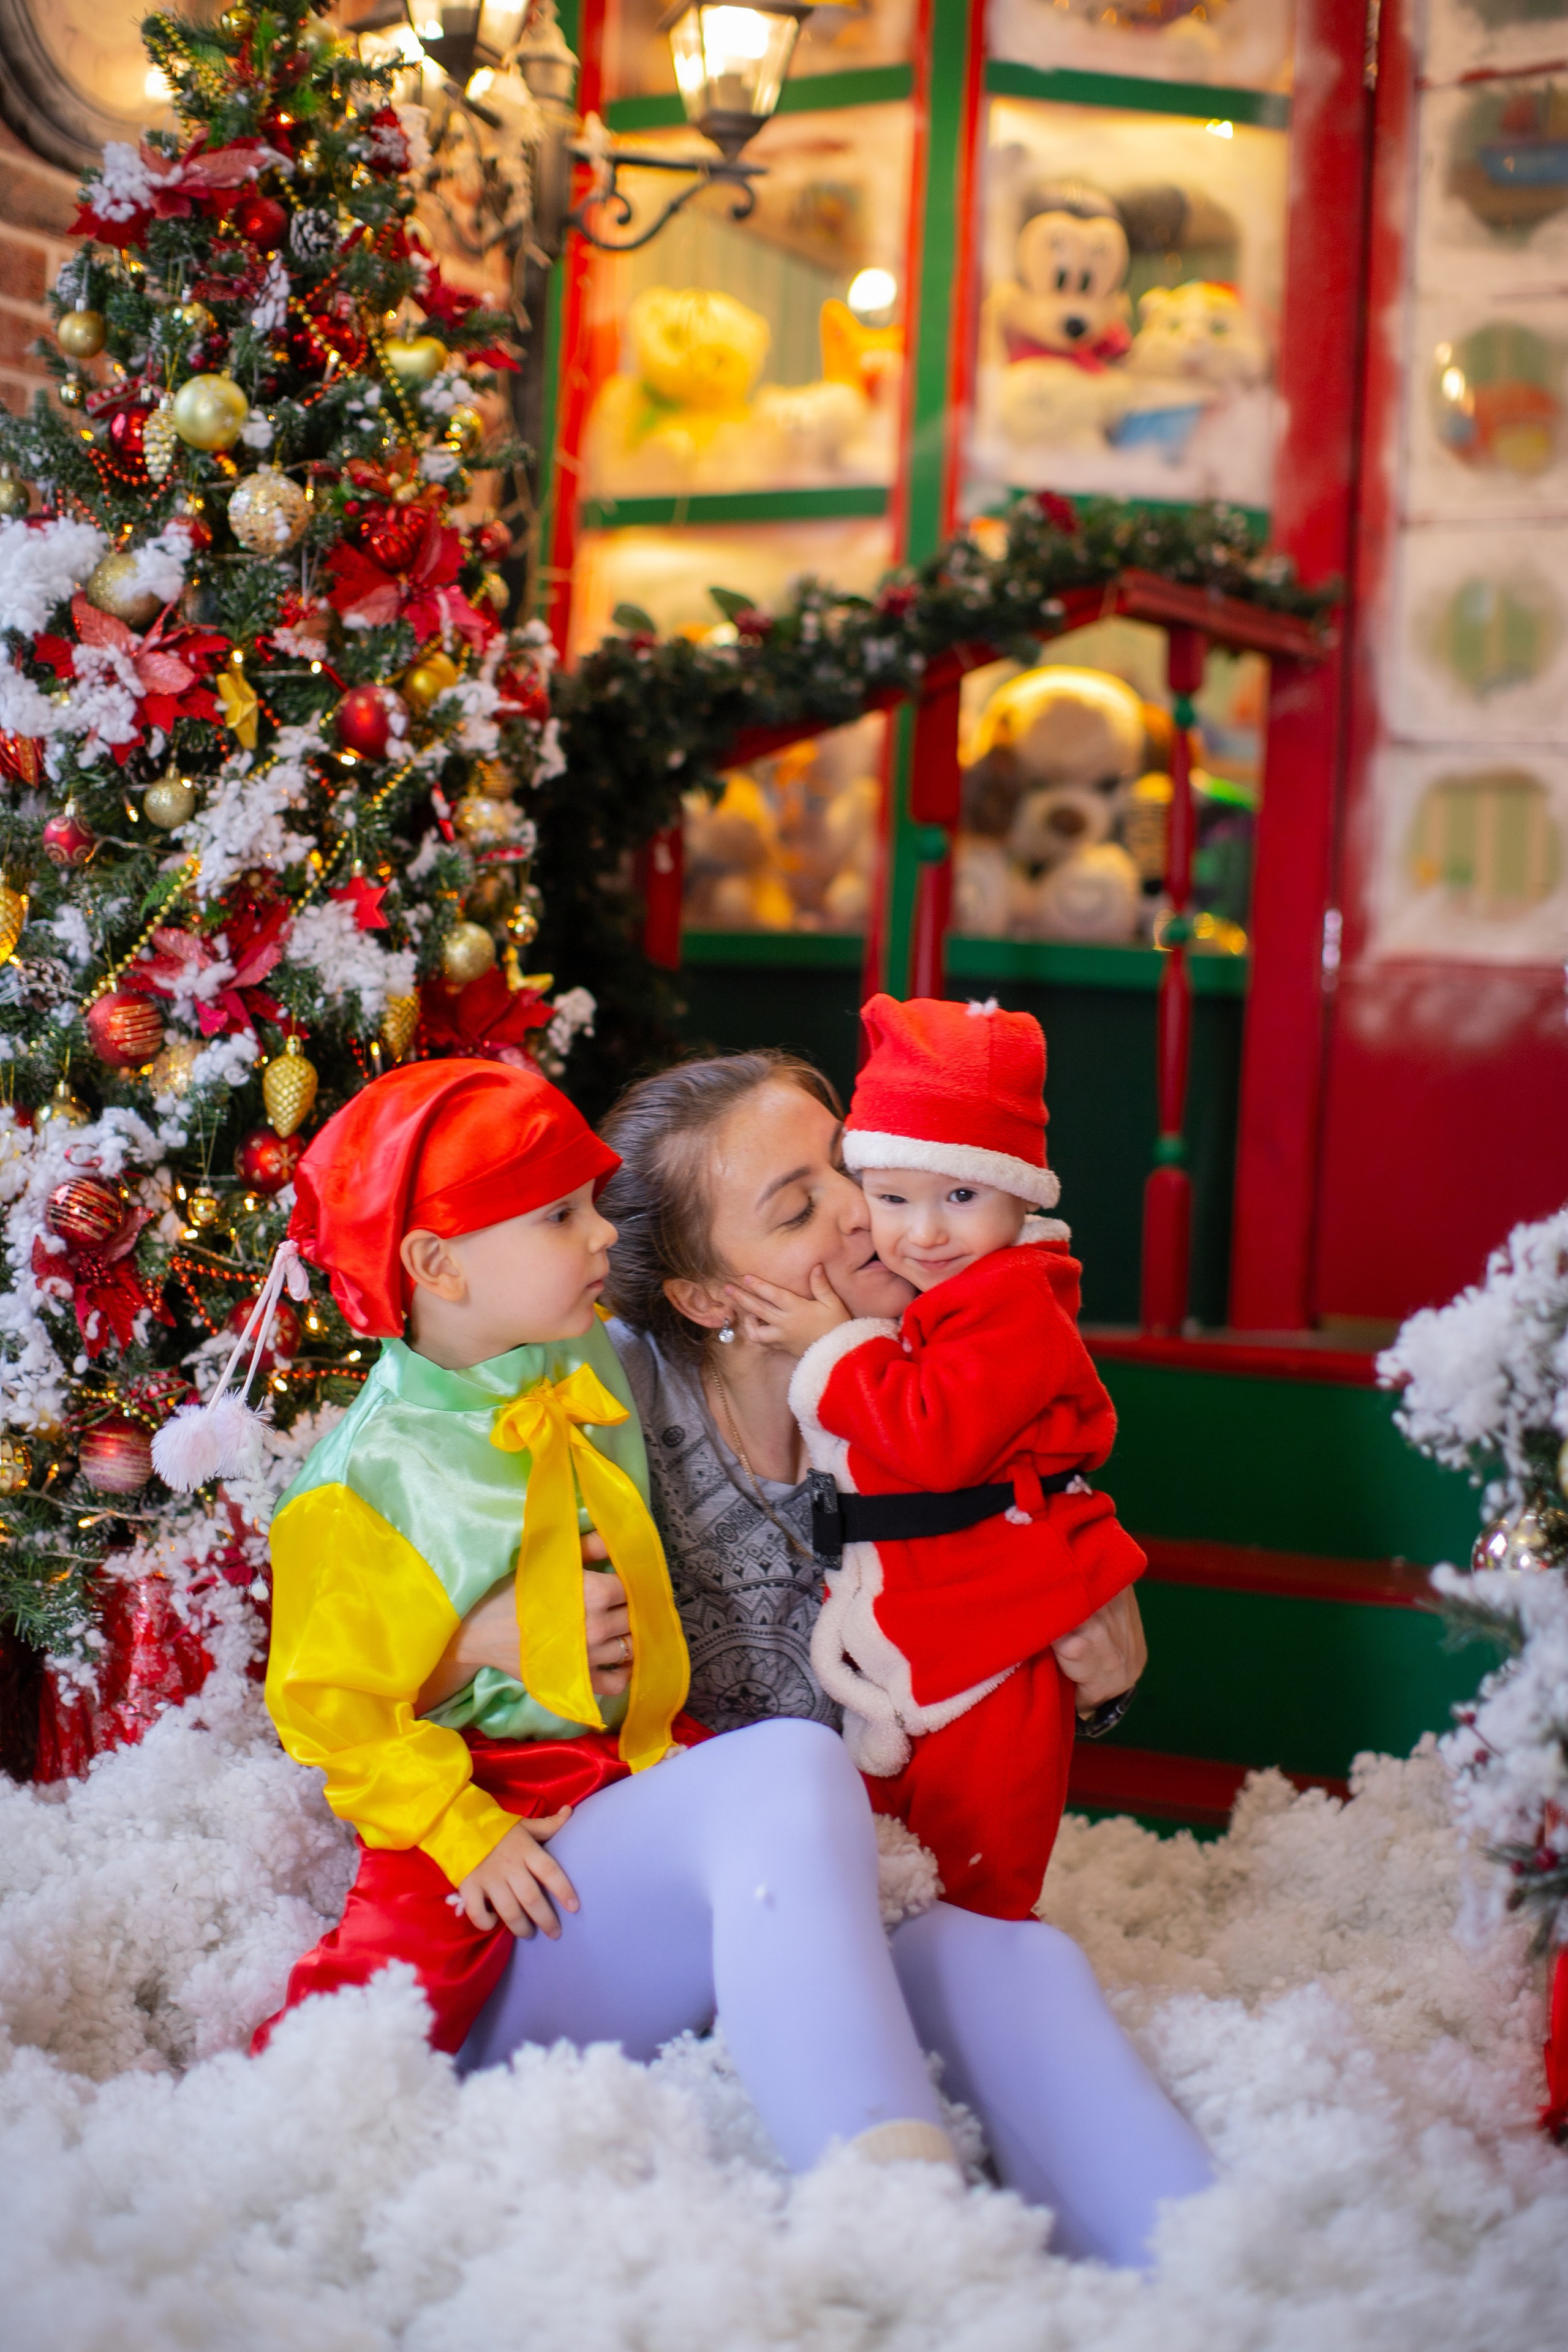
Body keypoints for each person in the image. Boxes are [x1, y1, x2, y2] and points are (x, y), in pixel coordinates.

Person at [453, 1050, 1214, 2267]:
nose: (865, 1212)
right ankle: (904, 2249)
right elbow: (327, 1580)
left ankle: (1219, 2271)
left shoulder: (937, 1383)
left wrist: (1099, 1662)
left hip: (815, 1944)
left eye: (845, 1166)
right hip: (571, 1934)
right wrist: (466, 1641)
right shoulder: (595, 1390)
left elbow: (1018, 1617)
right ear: (706, 1296)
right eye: (796, 1206)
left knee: (1011, 1954)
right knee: (788, 1769)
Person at [249, 1058, 968, 2182]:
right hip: (500, 1806)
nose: (602, 1241)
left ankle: (1166, 2248)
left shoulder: (572, 1350)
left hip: (634, 1768)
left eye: (593, 1207)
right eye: (563, 1217)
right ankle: (325, 2110)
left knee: (1010, 1963)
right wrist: (468, 1701)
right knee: (395, 1980)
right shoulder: (372, 1469)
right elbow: (323, 1697)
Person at [725, 995, 1144, 1920]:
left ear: (1022, 1192)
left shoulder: (1013, 1298)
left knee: (981, 1868)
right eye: (889, 1195)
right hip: (919, 1643)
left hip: (989, 1636)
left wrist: (834, 1345)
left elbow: (940, 1438)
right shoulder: (946, 1292)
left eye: (961, 1195)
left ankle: (980, 1970)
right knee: (892, 1857)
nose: (919, 1234)